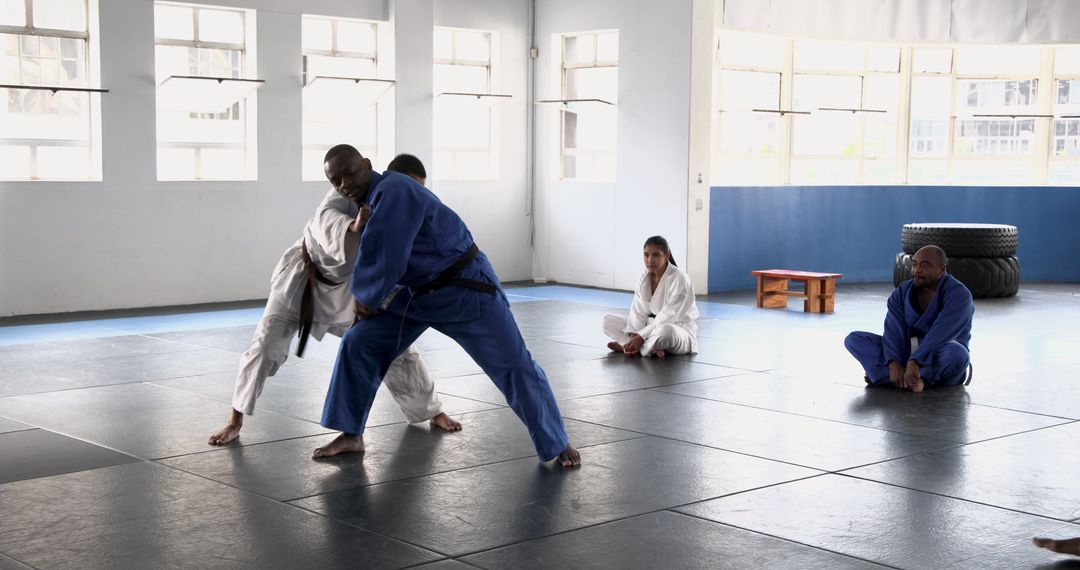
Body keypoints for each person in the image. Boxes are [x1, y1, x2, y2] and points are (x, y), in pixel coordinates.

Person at [310, 144, 580, 468]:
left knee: (513, 364)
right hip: (416, 293)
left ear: (367, 165)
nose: (343, 184)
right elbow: (378, 250)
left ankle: (556, 439)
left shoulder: (393, 188)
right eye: (335, 180)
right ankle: (351, 433)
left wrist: (366, 297)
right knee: (359, 342)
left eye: (349, 173)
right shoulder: (372, 200)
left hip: (464, 287)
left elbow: (386, 252)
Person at [208, 154, 461, 446]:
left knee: (396, 346)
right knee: (264, 347)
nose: (414, 195)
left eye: (420, 189)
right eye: (409, 187)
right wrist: (353, 227)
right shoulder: (344, 195)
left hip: (350, 290)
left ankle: (432, 411)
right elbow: (323, 221)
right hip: (302, 282)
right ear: (389, 179)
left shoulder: (406, 211)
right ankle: (234, 419)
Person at [844, 245, 973, 393]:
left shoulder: (959, 295)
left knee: (958, 354)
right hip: (907, 353)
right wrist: (893, 361)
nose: (916, 270)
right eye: (914, 264)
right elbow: (894, 329)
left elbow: (941, 333)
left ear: (941, 270)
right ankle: (903, 376)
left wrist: (916, 360)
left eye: (924, 265)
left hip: (940, 355)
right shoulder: (902, 292)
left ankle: (913, 378)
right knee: (854, 339)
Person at [602, 235, 699, 358]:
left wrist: (641, 337)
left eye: (656, 255)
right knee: (607, 321)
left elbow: (668, 316)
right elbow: (638, 311)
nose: (650, 260)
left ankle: (629, 345)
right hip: (650, 327)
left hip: (678, 330)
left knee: (666, 331)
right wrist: (634, 334)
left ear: (666, 255)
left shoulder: (680, 278)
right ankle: (642, 346)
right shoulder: (644, 276)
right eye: (646, 255)